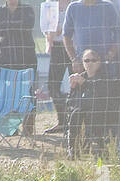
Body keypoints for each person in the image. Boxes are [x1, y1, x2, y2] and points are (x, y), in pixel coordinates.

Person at [0, 1, 38, 134]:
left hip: (27, 57)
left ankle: (28, 128)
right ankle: (10, 129)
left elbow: (28, 26)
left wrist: (6, 26)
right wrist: (17, 25)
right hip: (6, 58)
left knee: (29, 91)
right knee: (7, 93)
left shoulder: (28, 9)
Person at [67, 48, 120, 156]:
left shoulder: (105, 76)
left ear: (99, 62)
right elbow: (70, 101)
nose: (90, 63)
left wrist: (84, 83)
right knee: (75, 113)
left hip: (104, 111)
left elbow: (101, 95)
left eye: (93, 60)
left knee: (94, 111)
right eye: (86, 60)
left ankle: (99, 146)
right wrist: (73, 88)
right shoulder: (81, 77)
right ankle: (73, 149)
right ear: (82, 63)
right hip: (83, 111)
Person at [44, 0, 73, 134]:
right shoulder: (49, 6)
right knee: (53, 85)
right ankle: (62, 121)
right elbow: (45, 26)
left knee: (77, 84)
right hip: (56, 48)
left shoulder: (75, 4)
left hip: (73, 47)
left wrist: (63, 29)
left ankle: (77, 121)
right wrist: (49, 33)